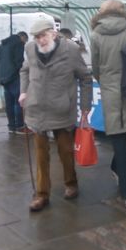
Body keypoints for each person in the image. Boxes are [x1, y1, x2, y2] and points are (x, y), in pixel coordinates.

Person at [19, 19, 92, 212]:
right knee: (41, 155)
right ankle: (42, 194)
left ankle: (71, 182)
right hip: (37, 109)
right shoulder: (30, 48)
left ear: (53, 33)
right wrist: (23, 92)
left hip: (62, 109)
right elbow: (25, 70)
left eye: (43, 36)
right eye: (36, 37)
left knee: (66, 151)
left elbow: (85, 77)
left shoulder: (70, 50)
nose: (40, 41)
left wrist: (85, 107)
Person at [90, 0, 126, 212]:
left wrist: (106, 81)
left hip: (111, 92)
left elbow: (95, 67)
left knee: (120, 142)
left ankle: (123, 181)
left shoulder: (95, 34)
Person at [0, 30, 28, 134]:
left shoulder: (2, 45)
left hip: (3, 78)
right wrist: (23, 72)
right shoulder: (19, 43)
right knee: (18, 102)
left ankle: (11, 126)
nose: (25, 43)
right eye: (25, 41)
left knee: (9, 103)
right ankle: (19, 126)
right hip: (14, 77)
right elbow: (19, 61)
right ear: (22, 38)